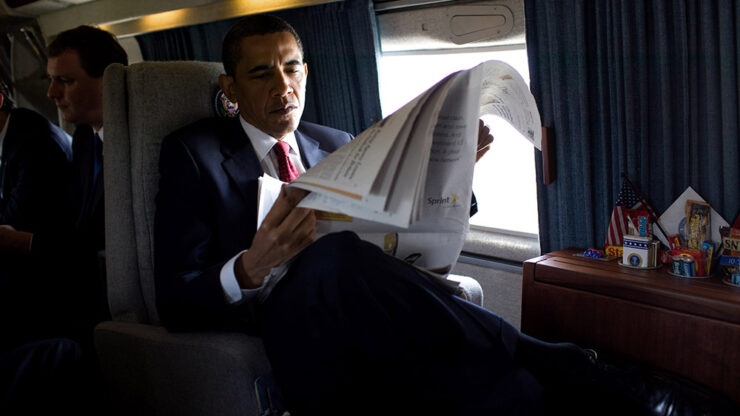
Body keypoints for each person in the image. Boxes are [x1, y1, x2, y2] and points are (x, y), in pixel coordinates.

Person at [154, 14, 652, 416]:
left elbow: (392, 230)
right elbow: (175, 299)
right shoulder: (193, 155)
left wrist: (451, 175)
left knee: (517, 392)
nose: (283, 86)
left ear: (306, 72)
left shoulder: (335, 142)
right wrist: (251, 266)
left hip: (366, 308)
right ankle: (542, 353)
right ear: (230, 88)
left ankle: (603, 392)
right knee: (335, 254)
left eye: (291, 68)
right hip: (290, 321)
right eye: (262, 73)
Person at [0, 25, 127, 414]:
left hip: (109, 292)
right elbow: (74, 228)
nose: (52, 93)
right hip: (79, 282)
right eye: (51, 80)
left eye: (65, 81)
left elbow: (101, 242)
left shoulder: (140, 145)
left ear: (109, 82)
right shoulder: (86, 139)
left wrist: (22, 242)